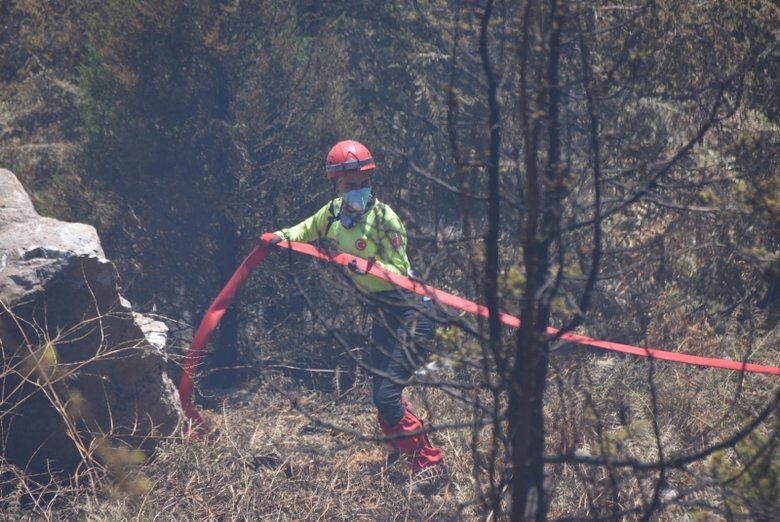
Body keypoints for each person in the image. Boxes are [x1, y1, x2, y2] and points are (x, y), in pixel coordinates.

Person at [266, 139, 446, 484]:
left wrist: (371, 266)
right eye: (351, 185)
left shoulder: (384, 218)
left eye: (364, 184)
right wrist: (277, 237)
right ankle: (403, 453)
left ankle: (429, 467)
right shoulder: (332, 213)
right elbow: (302, 231)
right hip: (382, 313)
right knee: (382, 394)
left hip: (410, 312)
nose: (358, 190)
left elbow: (398, 268)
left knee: (387, 394)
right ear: (336, 184)